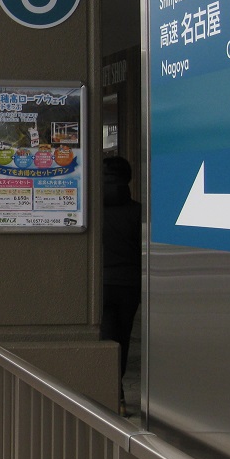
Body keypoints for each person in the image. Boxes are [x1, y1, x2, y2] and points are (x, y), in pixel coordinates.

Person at [99, 155, 142, 416]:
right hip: (129, 285)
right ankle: (117, 396)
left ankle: (112, 395)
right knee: (122, 340)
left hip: (100, 284)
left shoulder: (91, 211)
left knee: (105, 339)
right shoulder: (139, 212)